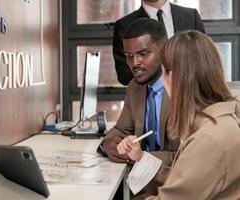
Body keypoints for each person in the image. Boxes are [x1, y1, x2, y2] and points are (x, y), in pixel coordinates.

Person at [117, 30, 240, 199]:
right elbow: (185, 182)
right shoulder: (220, 121)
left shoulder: (209, 138)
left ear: (175, 77)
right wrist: (141, 157)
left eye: (163, 72)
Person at [97, 18, 179, 196]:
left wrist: (143, 156)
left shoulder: (183, 88)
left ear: (164, 51)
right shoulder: (135, 87)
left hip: (176, 188)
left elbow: (189, 156)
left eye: (143, 54)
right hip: (142, 186)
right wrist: (113, 145)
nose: (135, 63)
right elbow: (119, 130)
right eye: (129, 55)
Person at [113, 0, 205, 85]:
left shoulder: (191, 16)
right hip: (149, 98)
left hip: (191, 95)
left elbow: (204, 60)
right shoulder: (124, 25)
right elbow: (124, 76)